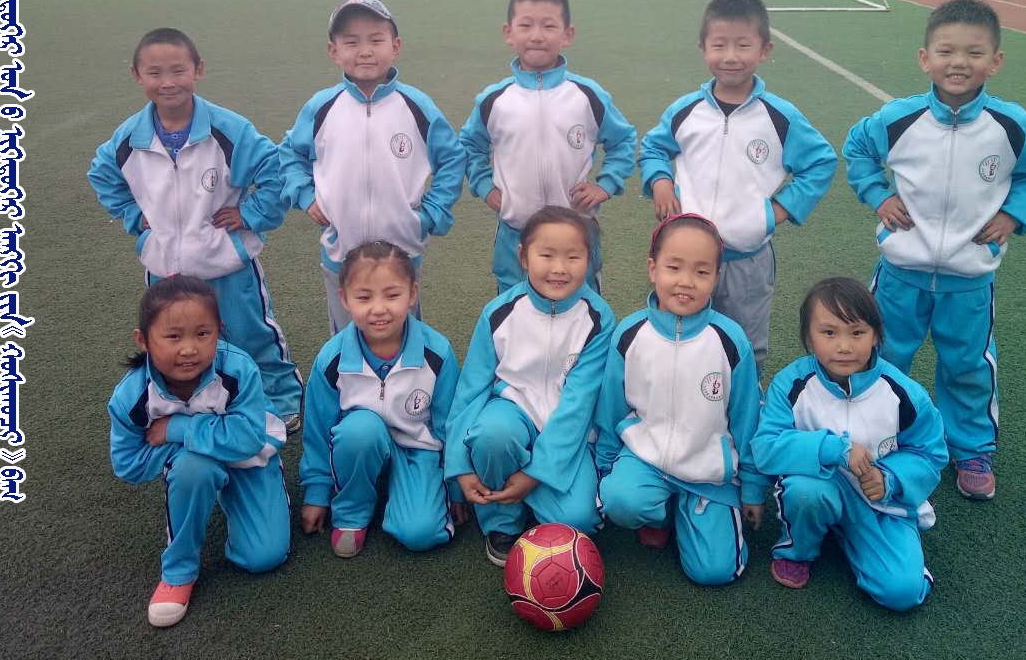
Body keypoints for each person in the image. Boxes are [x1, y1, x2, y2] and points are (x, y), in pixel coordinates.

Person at [843, 0, 1026, 500]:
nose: (959, 63)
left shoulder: (1009, 126)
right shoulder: (899, 118)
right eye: (946, 51)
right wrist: (879, 195)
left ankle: (970, 448)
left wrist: (1013, 214)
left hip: (969, 279)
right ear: (925, 58)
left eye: (974, 53)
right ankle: (879, 432)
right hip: (900, 274)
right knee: (882, 354)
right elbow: (857, 150)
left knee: (967, 366)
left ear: (995, 61)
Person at [89, 28, 302, 429]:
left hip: (226, 263)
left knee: (250, 333)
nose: (167, 82)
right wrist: (135, 216)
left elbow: (275, 172)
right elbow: (102, 175)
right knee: (177, 337)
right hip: (165, 269)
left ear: (198, 69)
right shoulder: (129, 139)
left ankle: (279, 397)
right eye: (154, 73)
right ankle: (199, 397)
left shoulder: (228, 129)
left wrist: (250, 214)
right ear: (136, 75)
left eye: (178, 70)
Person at [639, 0, 837, 367]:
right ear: (703, 48)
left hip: (747, 258)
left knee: (744, 345)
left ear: (764, 50)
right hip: (686, 256)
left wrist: (775, 211)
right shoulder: (686, 111)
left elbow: (821, 162)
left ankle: (744, 402)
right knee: (678, 335)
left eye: (743, 45)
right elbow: (653, 148)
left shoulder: (779, 116)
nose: (730, 56)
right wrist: (660, 181)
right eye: (719, 45)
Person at [753, 277, 947, 611]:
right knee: (805, 492)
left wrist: (891, 479)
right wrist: (834, 449)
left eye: (857, 332)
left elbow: (930, 453)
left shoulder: (903, 393)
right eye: (829, 333)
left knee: (902, 592)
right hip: (820, 488)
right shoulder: (792, 383)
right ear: (808, 337)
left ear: (876, 335)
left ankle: (854, 537)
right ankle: (798, 549)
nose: (844, 346)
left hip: (879, 505)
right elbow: (767, 447)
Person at [107, 275, 289, 628]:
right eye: (173, 337)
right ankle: (179, 571)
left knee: (263, 557)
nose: (189, 349)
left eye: (202, 334)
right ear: (143, 340)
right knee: (195, 468)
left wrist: (177, 430)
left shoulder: (238, 369)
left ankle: (226, 491)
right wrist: (190, 452)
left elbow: (251, 438)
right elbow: (128, 464)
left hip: (251, 459)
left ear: (219, 331)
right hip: (196, 463)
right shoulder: (131, 397)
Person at [595, 214, 766, 586]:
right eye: (674, 267)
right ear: (653, 268)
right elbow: (611, 407)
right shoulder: (630, 334)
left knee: (714, 572)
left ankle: (688, 509)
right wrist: (605, 467)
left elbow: (747, 420)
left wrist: (752, 487)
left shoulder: (730, 341)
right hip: (646, 460)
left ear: (716, 278)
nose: (686, 281)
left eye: (702, 272)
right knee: (620, 500)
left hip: (708, 473)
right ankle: (658, 512)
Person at [279, 0, 466, 334]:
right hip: (340, 252)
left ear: (395, 47)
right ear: (334, 51)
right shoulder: (322, 107)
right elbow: (290, 154)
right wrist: (305, 195)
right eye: (352, 42)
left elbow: (452, 158)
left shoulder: (416, 105)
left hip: (402, 250)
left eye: (376, 40)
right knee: (347, 337)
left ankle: (409, 371)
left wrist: (429, 215)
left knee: (404, 334)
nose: (365, 51)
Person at [445, 206, 616, 567]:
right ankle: (502, 522)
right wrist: (459, 465)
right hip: (513, 412)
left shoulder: (599, 318)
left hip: (567, 434)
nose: (559, 268)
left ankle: (526, 492)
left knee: (579, 522)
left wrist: (534, 475)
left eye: (573, 257)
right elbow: (470, 392)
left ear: (589, 259)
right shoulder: (499, 312)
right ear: (523, 256)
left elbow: (577, 407)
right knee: (493, 435)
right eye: (546, 255)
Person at [459, 0, 636, 293]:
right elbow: (470, 145)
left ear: (568, 35)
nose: (537, 36)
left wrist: (605, 184)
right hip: (516, 232)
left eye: (549, 26)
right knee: (514, 310)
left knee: (581, 312)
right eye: (526, 25)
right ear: (509, 33)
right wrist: (485, 186)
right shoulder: (494, 100)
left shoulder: (587, 95)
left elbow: (623, 141)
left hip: (576, 233)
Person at [299, 241, 465, 558]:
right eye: (364, 297)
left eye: (392, 295)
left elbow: (450, 425)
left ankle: (406, 491)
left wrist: (455, 486)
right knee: (359, 430)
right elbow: (317, 430)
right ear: (344, 299)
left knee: (420, 534)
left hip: (417, 451)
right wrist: (317, 493)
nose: (378, 309)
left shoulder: (437, 352)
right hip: (360, 448)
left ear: (412, 294)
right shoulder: (331, 359)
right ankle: (352, 511)